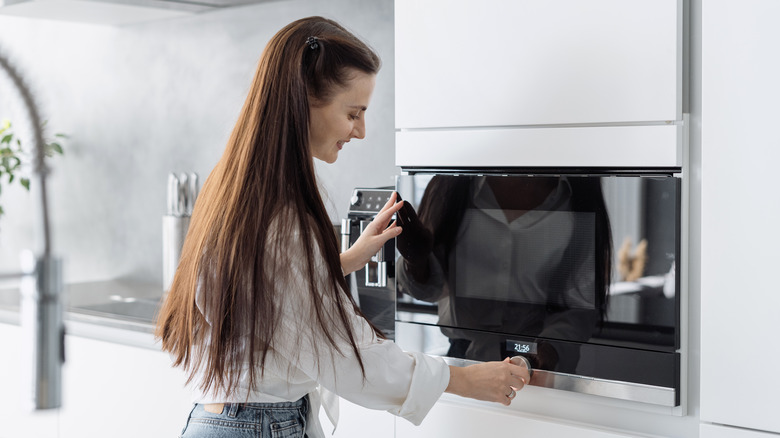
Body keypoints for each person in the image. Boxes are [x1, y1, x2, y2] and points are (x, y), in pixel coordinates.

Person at [155, 16, 530, 438]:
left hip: (224, 420)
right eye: (353, 113)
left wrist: (343, 261)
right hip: (257, 426)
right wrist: (462, 380)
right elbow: (345, 355)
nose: (362, 130)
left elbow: (267, 292)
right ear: (305, 100)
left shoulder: (238, 185)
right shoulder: (283, 216)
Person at [396, 174, 612, 373]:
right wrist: (416, 259)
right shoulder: (451, 184)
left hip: (537, 366)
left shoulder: (578, 192)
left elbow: (578, 306)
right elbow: (428, 290)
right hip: (462, 362)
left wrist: (549, 351)